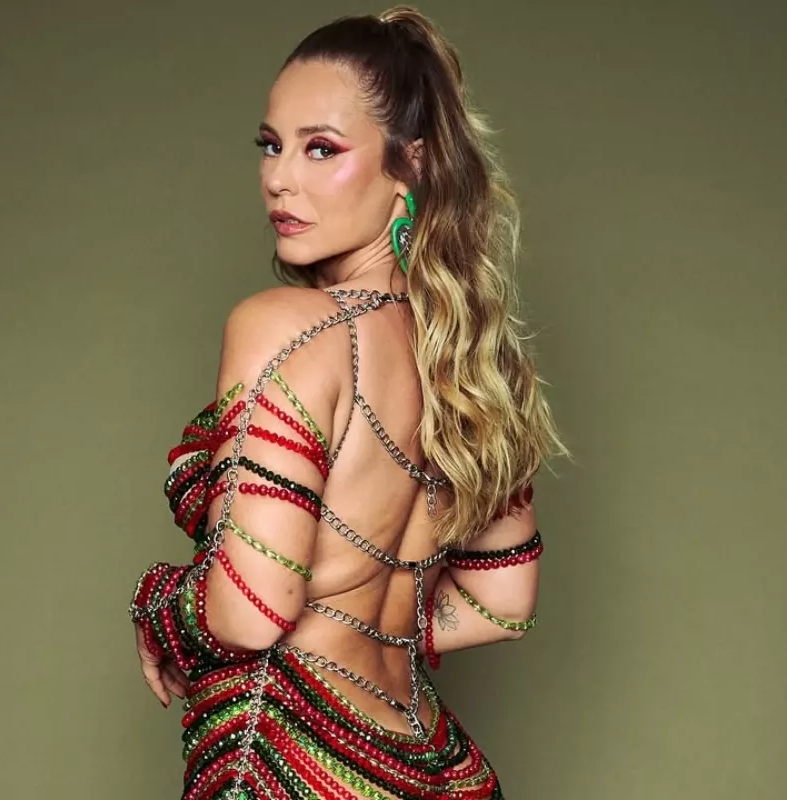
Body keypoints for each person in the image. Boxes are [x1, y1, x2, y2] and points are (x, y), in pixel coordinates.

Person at [128, 6, 565, 798]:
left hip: (286, 757)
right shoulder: (472, 361)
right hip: (431, 763)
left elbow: (251, 612)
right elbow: (503, 601)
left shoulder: (283, 326)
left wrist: (161, 608)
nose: (279, 178)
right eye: (271, 145)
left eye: (321, 148)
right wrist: (370, 621)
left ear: (410, 164)